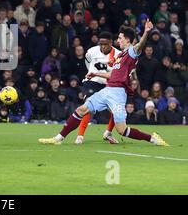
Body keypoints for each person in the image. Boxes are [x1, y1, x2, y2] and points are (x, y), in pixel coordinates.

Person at [39, 20, 169, 146]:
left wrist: (146, 32)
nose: (118, 40)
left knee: (122, 130)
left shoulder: (131, 52)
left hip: (118, 94)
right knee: (81, 109)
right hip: (107, 90)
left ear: (127, 40)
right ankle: (58, 138)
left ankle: (152, 138)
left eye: (120, 38)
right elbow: (112, 74)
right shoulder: (120, 56)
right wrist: (95, 74)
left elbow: (139, 46)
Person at [75, 32, 121, 145]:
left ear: (111, 43)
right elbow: (87, 61)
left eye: (105, 44)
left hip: (108, 85)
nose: (103, 46)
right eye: (101, 44)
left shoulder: (118, 54)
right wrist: (93, 73)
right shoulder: (91, 51)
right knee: (89, 108)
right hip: (92, 83)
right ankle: (80, 136)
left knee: (117, 111)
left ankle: (108, 133)